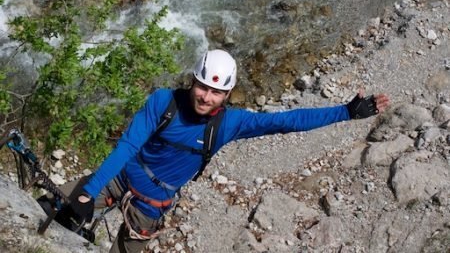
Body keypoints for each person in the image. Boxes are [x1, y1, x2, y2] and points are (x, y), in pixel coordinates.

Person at [65, 49, 390, 252]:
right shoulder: (163, 102)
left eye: (217, 92)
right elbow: (128, 146)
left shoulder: (230, 124)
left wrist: (345, 112)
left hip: (148, 210)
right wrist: (87, 192)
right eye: (203, 87)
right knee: (55, 204)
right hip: (119, 179)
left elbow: (288, 121)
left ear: (228, 94)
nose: (206, 97)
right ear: (192, 81)